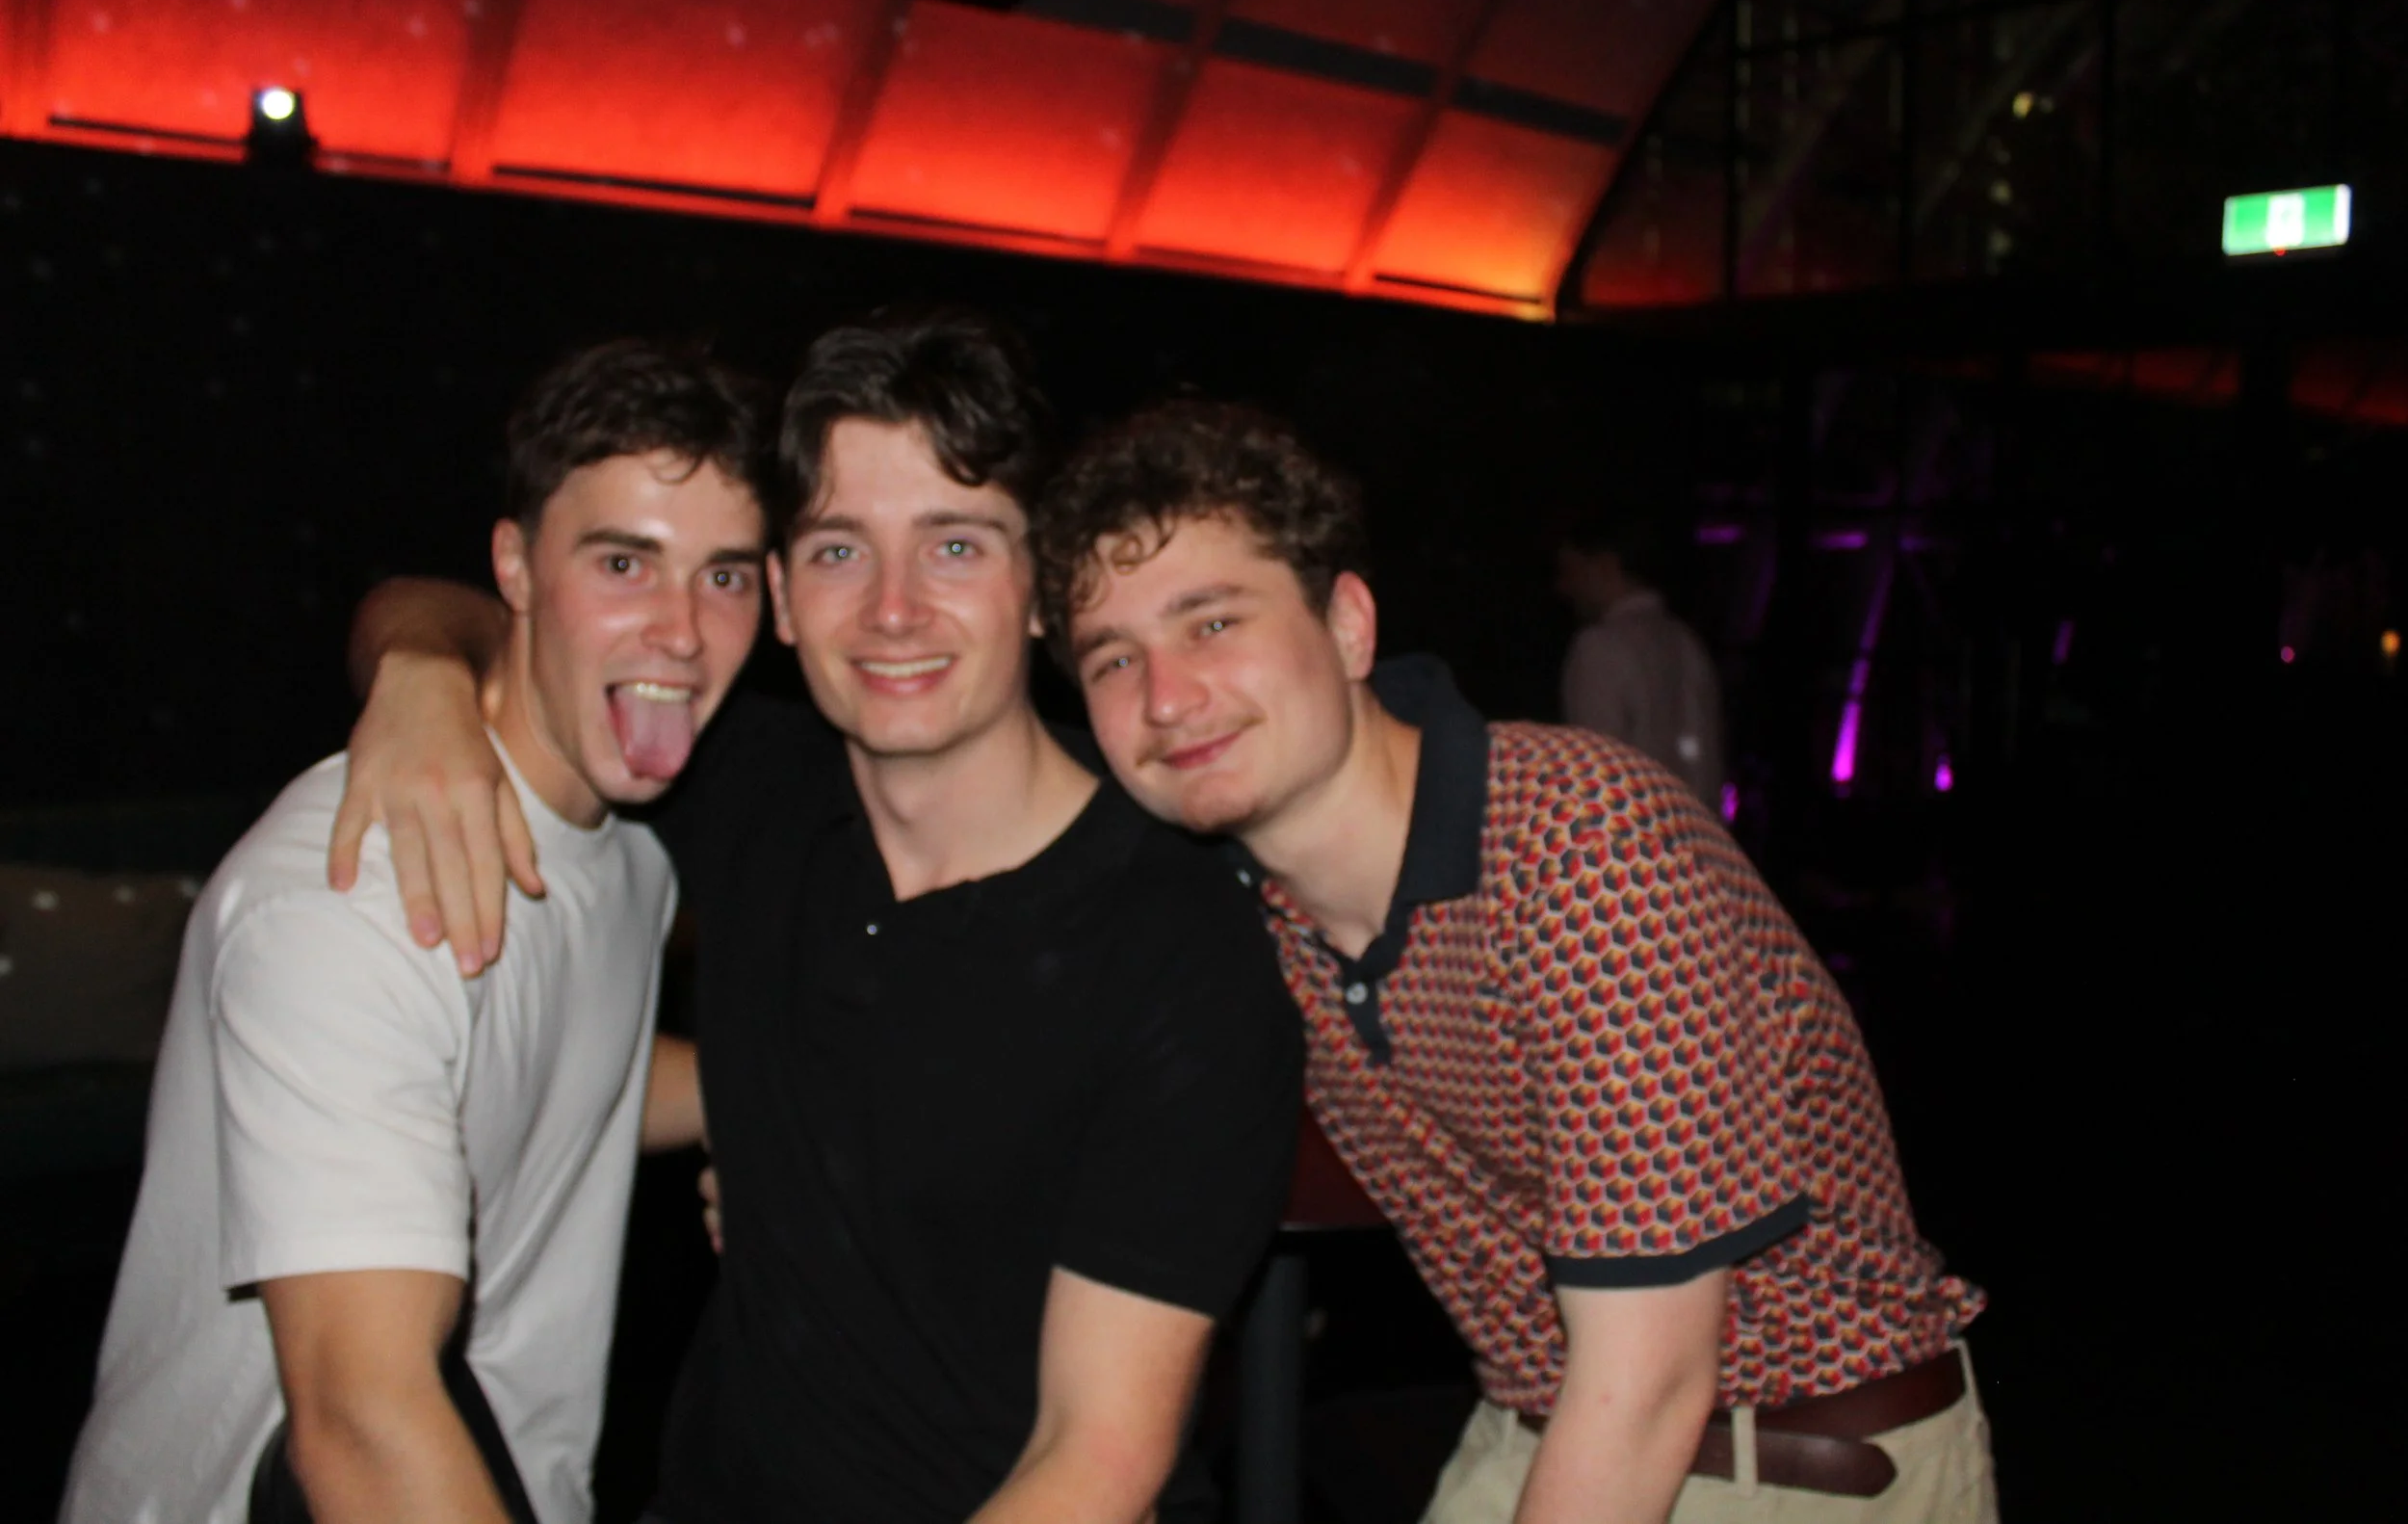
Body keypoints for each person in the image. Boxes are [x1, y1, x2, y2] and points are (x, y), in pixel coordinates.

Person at [327, 309, 1303, 1524]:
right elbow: (461, 608)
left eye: (953, 545)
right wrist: (422, 677)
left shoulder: (1176, 946)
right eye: (841, 551)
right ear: (782, 597)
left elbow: (1095, 1464)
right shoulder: (749, 787)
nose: (892, 609)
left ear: (1041, 590)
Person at [1033, 402, 1996, 1524]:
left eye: (1209, 623)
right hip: (1540, 1420)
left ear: (1346, 625)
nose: (1164, 695)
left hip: (1786, 1455)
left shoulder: (1579, 848)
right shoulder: (1244, 903)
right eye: (1113, 656)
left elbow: (1647, 1386)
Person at [59, 340, 772, 1524]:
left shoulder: (628, 858)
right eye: (623, 561)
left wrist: (798, 1114)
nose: (682, 631)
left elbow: (552, 1065)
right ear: (516, 566)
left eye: (726, 575)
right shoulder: (349, 898)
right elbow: (362, 1422)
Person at [1554, 515, 1725, 808]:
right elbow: (1705, 761)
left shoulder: (1599, 646)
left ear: (1605, 566)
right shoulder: (1685, 642)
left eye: (1571, 569)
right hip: (1696, 837)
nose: (1563, 586)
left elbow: (1597, 776)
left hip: (1634, 840)